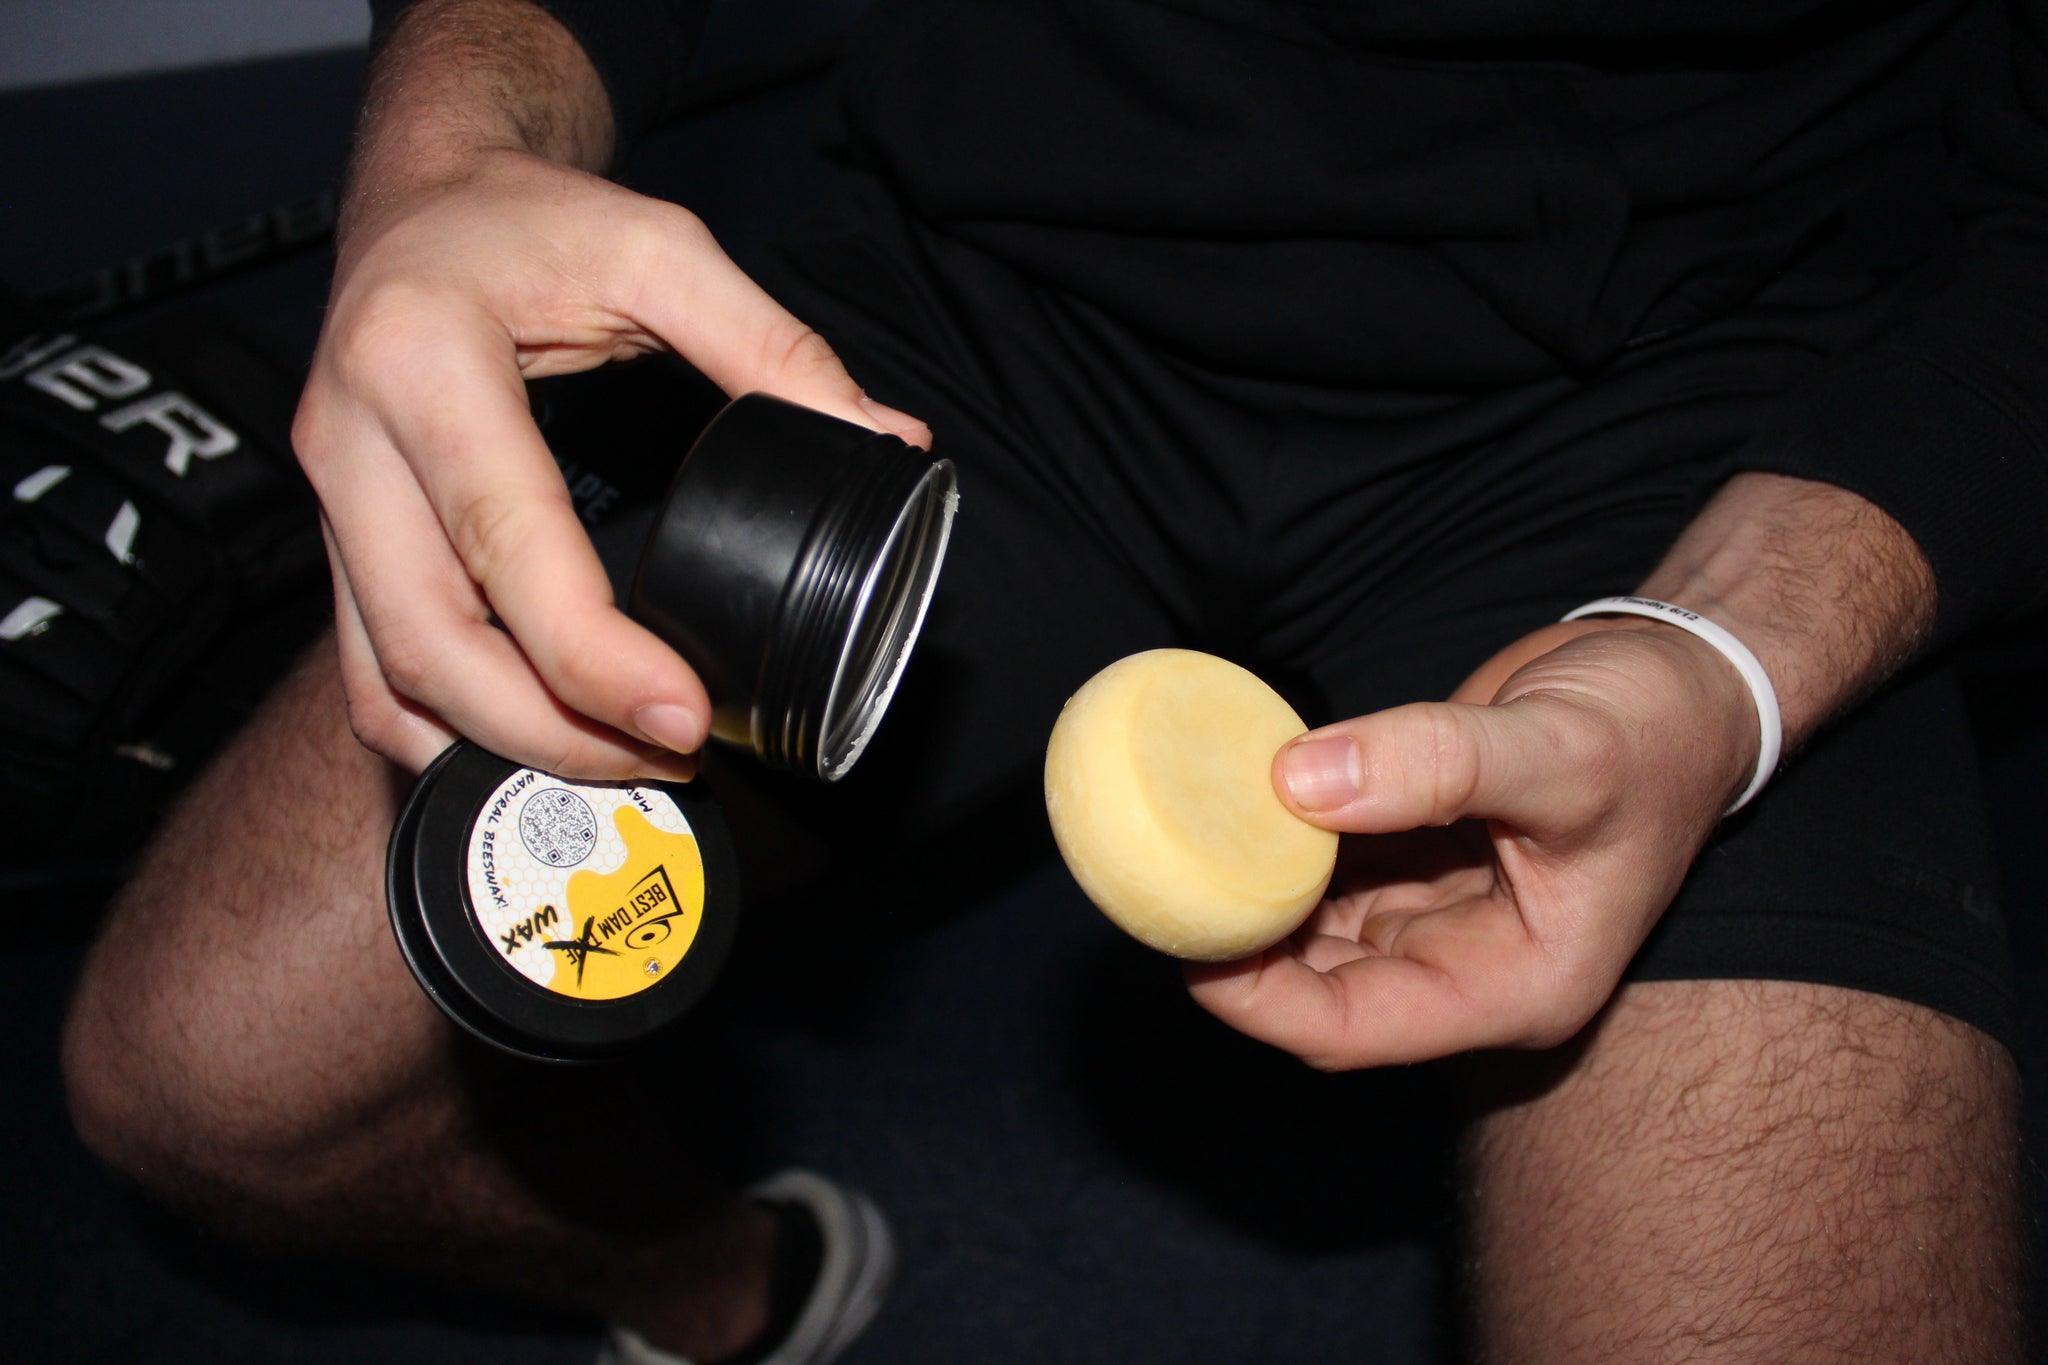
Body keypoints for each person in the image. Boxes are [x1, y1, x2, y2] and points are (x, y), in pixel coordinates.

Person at [60, 0, 2048, 1360]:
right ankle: (727, 1281)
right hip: (988, 319)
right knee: (207, 1078)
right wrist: (445, 156)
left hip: (1686, 407)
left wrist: (1732, 658)